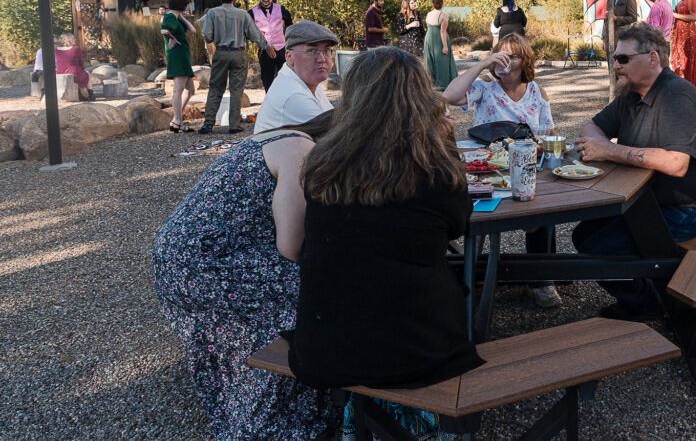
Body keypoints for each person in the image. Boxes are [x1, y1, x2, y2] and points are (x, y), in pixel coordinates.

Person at [287, 48, 483, 440]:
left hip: (324, 347)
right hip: (415, 353)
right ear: (421, 98)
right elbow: (457, 226)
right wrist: (443, 139)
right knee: (453, 284)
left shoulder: (322, 163)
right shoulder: (433, 169)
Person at [152, 111, 337, 441]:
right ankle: (278, 412)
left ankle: (258, 395)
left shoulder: (283, 135)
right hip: (205, 264)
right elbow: (291, 246)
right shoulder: (302, 152)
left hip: (181, 255)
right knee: (326, 296)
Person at [573, 23, 696, 320]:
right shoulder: (631, 95)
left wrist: (609, 151)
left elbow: (676, 164)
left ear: (652, 59)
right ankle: (645, 289)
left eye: (623, 59)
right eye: (614, 59)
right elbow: (591, 127)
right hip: (644, 201)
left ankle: (647, 305)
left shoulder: (677, 96)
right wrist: (600, 144)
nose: (615, 65)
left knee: (598, 249)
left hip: (684, 209)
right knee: (584, 234)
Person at [442, 33, 560, 308]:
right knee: (479, 213)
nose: (504, 61)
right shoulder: (484, 87)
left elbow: (549, 133)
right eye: (500, 54)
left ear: (525, 61)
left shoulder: (536, 91)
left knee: (545, 209)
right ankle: (476, 271)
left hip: (527, 166)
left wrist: (546, 147)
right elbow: (449, 96)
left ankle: (541, 278)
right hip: (486, 170)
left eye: (512, 56)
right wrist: (483, 64)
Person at [199, 0, 276, 135]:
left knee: (215, 88)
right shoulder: (242, 14)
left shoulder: (212, 13)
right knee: (236, 90)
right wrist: (267, 46)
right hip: (238, 53)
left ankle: (208, 124)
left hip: (220, 53)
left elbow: (207, 37)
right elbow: (255, 34)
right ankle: (233, 125)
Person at [253, 21, 338, 134]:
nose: (322, 59)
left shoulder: (308, 83)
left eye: (326, 51)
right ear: (289, 57)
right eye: (312, 51)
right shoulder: (294, 95)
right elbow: (338, 140)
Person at [160, 0, 197, 132]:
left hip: (183, 55)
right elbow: (164, 30)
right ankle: (178, 121)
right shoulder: (169, 17)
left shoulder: (176, 17)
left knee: (190, 90)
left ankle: (176, 119)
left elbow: (193, 30)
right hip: (177, 55)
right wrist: (172, 38)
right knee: (178, 89)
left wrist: (182, 18)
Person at [249, 0, 293, 92]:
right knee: (267, 78)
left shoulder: (281, 9)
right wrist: (254, 41)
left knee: (285, 76)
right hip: (264, 49)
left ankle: (285, 99)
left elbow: (290, 25)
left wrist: (287, 37)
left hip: (281, 48)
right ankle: (270, 100)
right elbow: (247, 29)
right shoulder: (252, 12)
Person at [670, 0, 696, 88]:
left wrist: (675, 15)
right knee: (678, 59)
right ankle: (679, 85)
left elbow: (694, 17)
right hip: (680, 33)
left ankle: (688, 86)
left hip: (687, 34)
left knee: (686, 59)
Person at [423, 0, 458, 90]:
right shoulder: (444, 16)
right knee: (442, 61)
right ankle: (443, 84)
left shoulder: (428, 14)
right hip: (439, 39)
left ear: (433, 4)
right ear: (442, 3)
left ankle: (430, 84)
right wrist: (445, 46)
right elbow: (442, 32)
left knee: (430, 61)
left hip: (429, 38)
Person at [54, 32, 91, 101]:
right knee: (86, 74)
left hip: (60, 73)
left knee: (83, 74)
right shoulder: (76, 49)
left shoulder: (56, 50)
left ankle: (82, 93)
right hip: (75, 74)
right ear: (69, 40)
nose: (75, 40)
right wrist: (83, 70)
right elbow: (81, 63)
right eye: (73, 38)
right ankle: (91, 93)